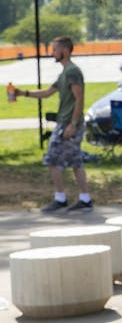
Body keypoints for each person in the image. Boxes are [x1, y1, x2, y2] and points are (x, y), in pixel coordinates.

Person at [15, 36, 93, 213]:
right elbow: (47, 93)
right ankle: (85, 199)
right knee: (76, 161)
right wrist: (23, 93)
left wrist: (73, 124)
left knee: (52, 159)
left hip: (69, 124)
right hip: (66, 123)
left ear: (64, 51)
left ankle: (60, 199)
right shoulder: (64, 73)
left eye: (55, 49)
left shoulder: (72, 72)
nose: (52, 53)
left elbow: (79, 98)